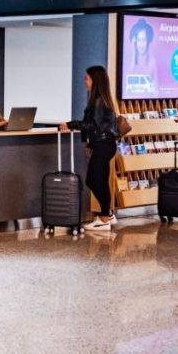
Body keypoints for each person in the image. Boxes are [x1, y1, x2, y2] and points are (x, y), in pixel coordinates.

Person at [60, 65, 120, 231]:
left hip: (103, 145)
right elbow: (99, 126)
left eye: (87, 78)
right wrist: (90, 143)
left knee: (93, 180)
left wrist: (71, 124)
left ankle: (104, 217)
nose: (84, 81)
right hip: (105, 144)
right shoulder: (102, 99)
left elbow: (92, 125)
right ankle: (107, 214)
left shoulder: (99, 101)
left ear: (95, 81)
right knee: (101, 180)